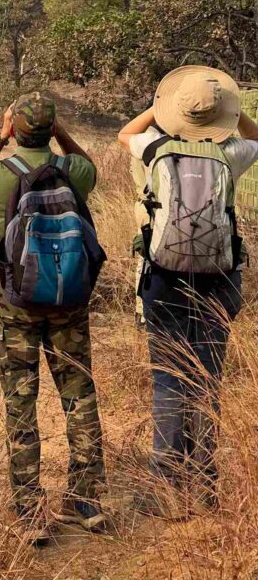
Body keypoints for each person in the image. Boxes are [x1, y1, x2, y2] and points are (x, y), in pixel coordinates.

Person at [0, 93, 107, 545]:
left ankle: (29, 513)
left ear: (15, 129)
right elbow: (90, 165)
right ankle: (86, 503)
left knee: (20, 406)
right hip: (69, 302)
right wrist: (62, 133)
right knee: (79, 397)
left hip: (16, 306)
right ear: (51, 129)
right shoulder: (74, 173)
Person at [118, 66, 258, 514]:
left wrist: (162, 110)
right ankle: (205, 485)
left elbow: (126, 133)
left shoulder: (155, 148)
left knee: (169, 379)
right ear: (221, 115)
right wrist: (231, 114)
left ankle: (165, 486)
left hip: (163, 279)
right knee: (207, 380)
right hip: (218, 280)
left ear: (173, 111)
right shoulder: (230, 155)